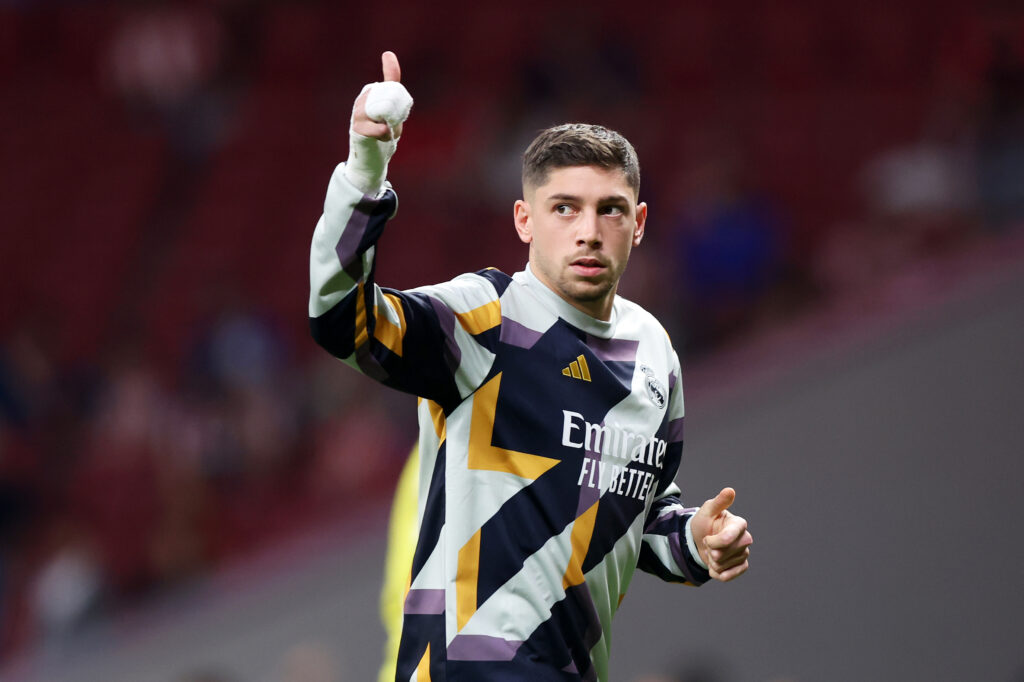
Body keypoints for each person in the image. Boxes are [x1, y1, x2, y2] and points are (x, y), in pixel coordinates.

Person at [309, 51, 753, 682]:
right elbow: (339, 318)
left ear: (640, 223)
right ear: (525, 220)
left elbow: (640, 509)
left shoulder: (655, 354)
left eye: (611, 209)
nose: (589, 232)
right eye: (564, 208)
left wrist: (696, 541)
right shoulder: (484, 320)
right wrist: (364, 169)